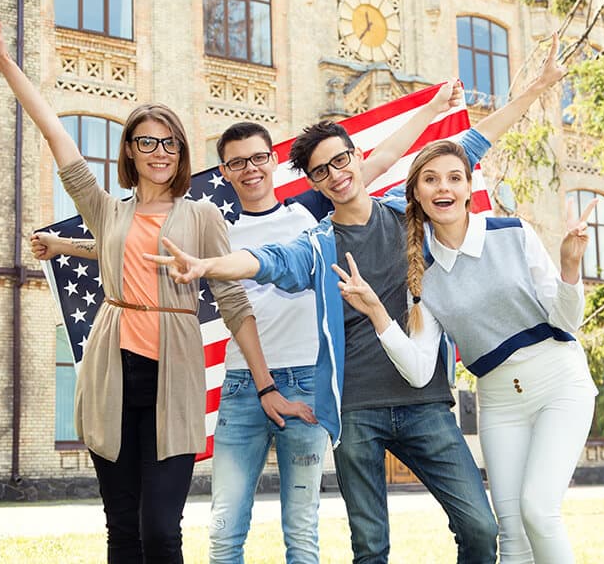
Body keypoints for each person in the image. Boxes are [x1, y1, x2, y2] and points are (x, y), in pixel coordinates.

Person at [144, 35, 566, 564]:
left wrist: (535, 90)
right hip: (357, 412)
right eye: (322, 171)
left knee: (481, 530)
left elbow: (472, 145)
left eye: (342, 161)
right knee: (370, 548)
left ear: (356, 157)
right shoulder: (317, 243)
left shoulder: (411, 214)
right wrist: (207, 266)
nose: (337, 175)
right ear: (314, 181)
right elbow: (267, 261)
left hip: (425, 404)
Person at [31, 81, 463, 564]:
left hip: (302, 382)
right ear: (225, 171)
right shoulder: (218, 224)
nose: (250, 168)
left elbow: (377, 160)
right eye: (237, 162)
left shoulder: (308, 213)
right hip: (241, 387)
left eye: (259, 157)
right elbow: (139, 250)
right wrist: (66, 245)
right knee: (223, 530)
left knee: (300, 531)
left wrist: (430, 109)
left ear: (274, 162)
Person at [0, 19, 314, 564]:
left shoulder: (203, 214)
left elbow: (233, 303)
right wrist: (6, 66)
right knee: (121, 527)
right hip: (110, 375)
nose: (159, 152)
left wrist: (265, 388)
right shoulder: (106, 210)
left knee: (161, 528)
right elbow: (58, 137)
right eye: (147, 142)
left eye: (168, 142)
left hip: (174, 379)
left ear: (180, 151)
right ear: (131, 152)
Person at [332, 138, 598, 563]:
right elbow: (420, 371)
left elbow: (567, 324)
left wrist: (569, 267)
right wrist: (380, 315)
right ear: (416, 194)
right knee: (509, 531)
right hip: (499, 401)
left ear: (470, 188)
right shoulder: (422, 276)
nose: (444, 188)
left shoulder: (514, 233)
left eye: (455, 178)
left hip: (558, 383)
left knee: (538, 511)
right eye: (431, 180)